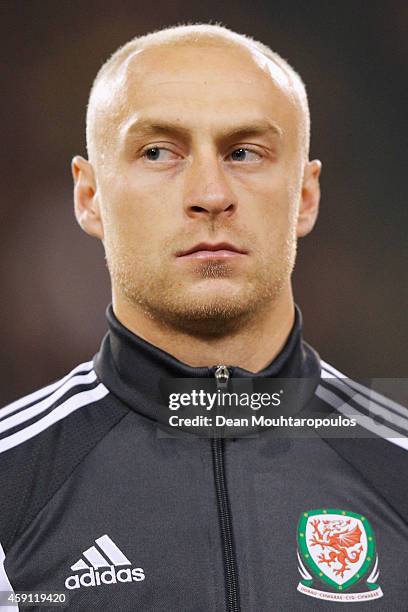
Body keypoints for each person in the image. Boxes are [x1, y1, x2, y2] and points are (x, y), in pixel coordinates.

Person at [1, 23, 407, 612]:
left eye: (244, 152)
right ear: (89, 197)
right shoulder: (10, 484)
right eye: (159, 151)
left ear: (304, 196)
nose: (211, 194)